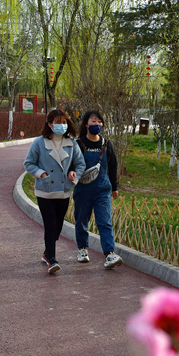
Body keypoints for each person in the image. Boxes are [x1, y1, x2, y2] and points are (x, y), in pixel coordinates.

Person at [24, 109, 85, 274]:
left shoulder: (72, 143)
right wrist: (41, 174)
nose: (62, 125)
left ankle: (46, 252)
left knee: (57, 226)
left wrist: (74, 174)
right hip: (45, 191)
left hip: (64, 191)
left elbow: (80, 164)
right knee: (50, 225)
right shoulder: (39, 142)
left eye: (64, 122)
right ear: (50, 124)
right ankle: (51, 259)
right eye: (58, 122)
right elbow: (29, 163)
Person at [73, 110, 123, 270]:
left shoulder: (107, 144)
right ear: (86, 124)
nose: (97, 124)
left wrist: (114, 187)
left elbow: (113, 166)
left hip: (103, 189)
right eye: (93, 121)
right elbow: (71, 165)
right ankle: (82, 249)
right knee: (82, 220)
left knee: (105, 221)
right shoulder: (78, 144)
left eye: (100, 121)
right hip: (83, 190)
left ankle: (110, 253)